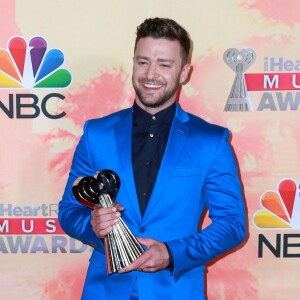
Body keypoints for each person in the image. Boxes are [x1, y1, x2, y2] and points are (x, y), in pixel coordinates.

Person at [59, 17, 247, 300]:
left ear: (184, 72)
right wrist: (93, 227)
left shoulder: (211, 141)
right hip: (104, 290)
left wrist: (171, 254)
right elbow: (69, 210)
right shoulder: (96, 133)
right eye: (143, 61)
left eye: (164, 64)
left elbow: (232, 224)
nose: (150, 73)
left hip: (176, 289)